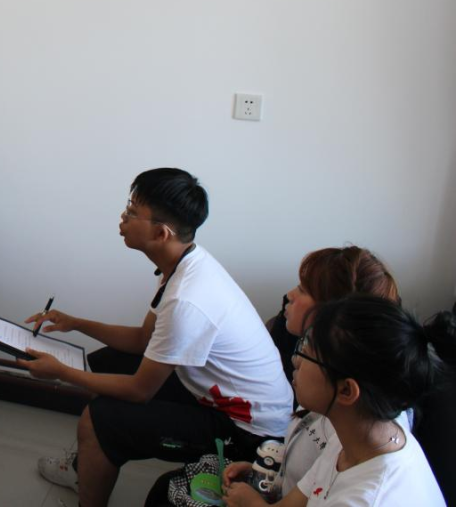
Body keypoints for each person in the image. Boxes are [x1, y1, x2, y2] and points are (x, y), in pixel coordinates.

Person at [23, 168, 292, 507]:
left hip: (248, 432)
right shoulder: (183, 262)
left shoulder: (187, 299)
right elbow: (142, 339)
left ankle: (91, 476)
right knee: (104, 362)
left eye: (132, 211)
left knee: (100, 417)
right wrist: (75, 323)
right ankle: (87, 468)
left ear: (161, 233)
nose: (123, 217)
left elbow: (140, 390)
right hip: (221, 396)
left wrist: (61, 372)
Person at [161, 246, 398, 507]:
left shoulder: (350, 431)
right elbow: (305, 478)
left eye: (304, 290)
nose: (290, 295)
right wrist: (265, 471)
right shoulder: (328, 406)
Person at [224, 295, 450, 506]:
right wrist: (259, 481)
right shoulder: (356, 434)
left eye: (307, 353)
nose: (296, 361)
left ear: (346, 390)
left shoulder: (365, 497)